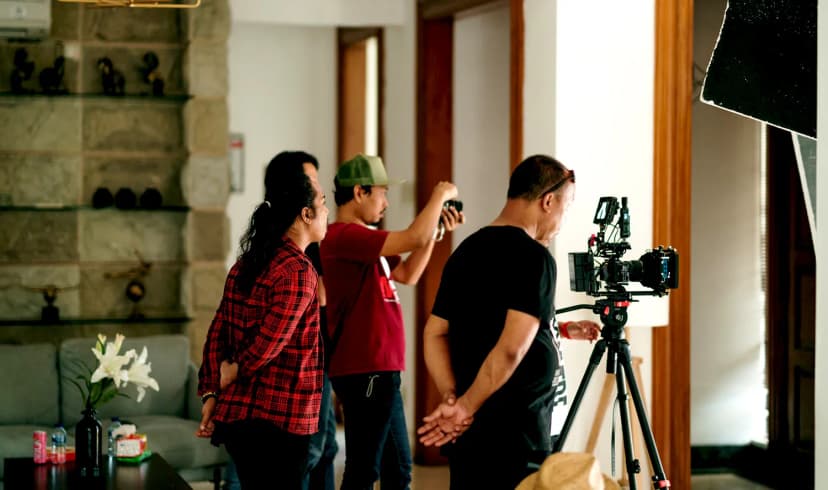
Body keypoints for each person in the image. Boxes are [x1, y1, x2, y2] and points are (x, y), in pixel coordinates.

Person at [416, 155, 601, 490]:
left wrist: (452, 396)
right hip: (517, 437)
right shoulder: (535, 257)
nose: (563, 220)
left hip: (470, 435)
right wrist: (464, 407)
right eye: (567, 206)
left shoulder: (466, 251)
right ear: (548, 201)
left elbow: (435, 332)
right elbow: (510, 349)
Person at [320, 153, 464, 489]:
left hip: (381, 370)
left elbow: (409, 273)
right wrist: (439, 195)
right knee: (364, 469)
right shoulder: (343, 235)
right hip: (365, 370)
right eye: (382, 193)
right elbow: (413, 237)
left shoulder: (365, 241)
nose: (385, 203)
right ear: (360, 192)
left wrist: (436, 231)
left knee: (398, 468)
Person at [196, 150, 329, 489]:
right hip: (280, 421)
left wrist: (211, 391)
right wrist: (233, 372)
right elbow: (270, 342)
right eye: (323, 203)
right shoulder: (299, 271)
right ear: (305, 214)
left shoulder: (246, 263)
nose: (328, 212)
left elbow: (217, 333)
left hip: (239, 418)